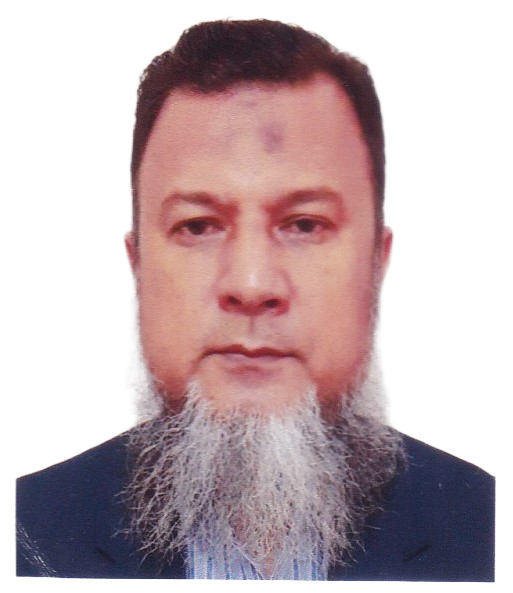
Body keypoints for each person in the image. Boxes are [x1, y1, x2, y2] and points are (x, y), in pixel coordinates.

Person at [16, 19, 494, 581]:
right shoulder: (23, 532)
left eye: (305, 224)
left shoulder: (488, 530)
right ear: (138, 264)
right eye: (197, 226)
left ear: (376, 263)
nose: (250, 284)